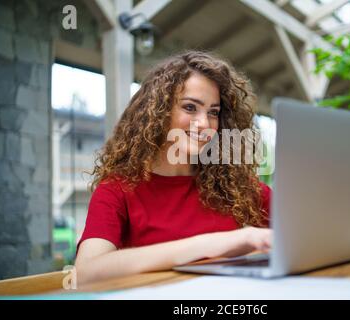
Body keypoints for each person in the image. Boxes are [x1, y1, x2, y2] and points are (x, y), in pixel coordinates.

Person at [75, 50, 272, 285]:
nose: (204, 124)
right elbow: (86, 271)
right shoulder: (118, 189)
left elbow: (306, 229)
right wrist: (215, 243)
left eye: (213, 112)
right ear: (158, 111)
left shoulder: (234, 185)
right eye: (190, 108)